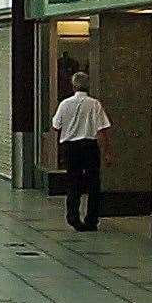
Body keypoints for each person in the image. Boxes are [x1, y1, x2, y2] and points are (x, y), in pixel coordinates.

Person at [51, 71, 112, 231]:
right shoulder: (94, 104)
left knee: (73, 182)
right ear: (87, 85)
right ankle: (91, 218)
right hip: (90, 146)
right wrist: (106, 152)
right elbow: (102, 130)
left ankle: (73, 217)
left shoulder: (64, 104)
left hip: (71, 147)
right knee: (93, 183)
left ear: (73, 86)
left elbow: (56, 126)